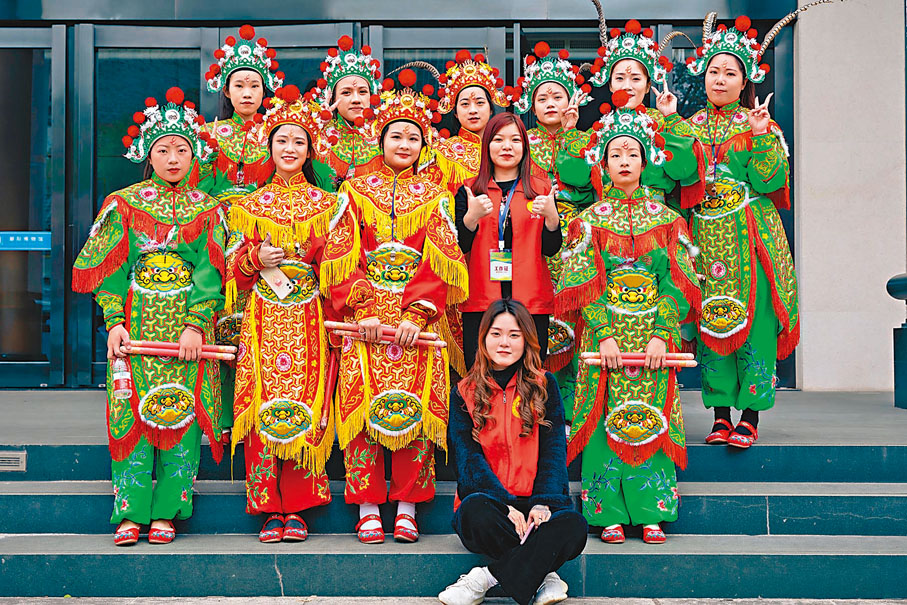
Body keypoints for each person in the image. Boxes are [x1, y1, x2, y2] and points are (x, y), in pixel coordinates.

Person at [72, 88, 225, 546]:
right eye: (163, 150)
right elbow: (109, 271)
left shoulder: (209, 208)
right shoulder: (123, 204)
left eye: (182, 149)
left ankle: (169, 511)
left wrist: (197, 324)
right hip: (134, 331)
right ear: (148, 156)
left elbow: (210, 273)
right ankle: (130, 511)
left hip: (187, 335)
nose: (173, 158)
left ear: (194, 154)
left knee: (180, 417)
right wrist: (113, 321)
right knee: (131, 420)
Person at [226, 85, 373, 542]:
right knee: (263, 403)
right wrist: (253, 259)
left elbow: (346, 261)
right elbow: (229, 264)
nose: (290, 149)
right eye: (282, 141)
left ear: (311, 151)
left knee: (308, 404)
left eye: (299, 142)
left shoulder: (330, 205)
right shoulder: (244, 206)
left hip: (309, 314)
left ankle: (301, 505)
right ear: (267, 147)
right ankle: (267, 506)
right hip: (262, 319)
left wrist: (318, 260)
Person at [556, 94, 700, 544]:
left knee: (649, 418)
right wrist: (601, 335)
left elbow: (678, 286)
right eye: (614, 153)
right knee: (602, 421)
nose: (623, 161)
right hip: (604, 344)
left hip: (654, 344)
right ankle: (606, 512)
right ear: (601, 162)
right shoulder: (587, 221)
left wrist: (661, 335)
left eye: (632, 154)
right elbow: (583, 286)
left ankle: (651, 509)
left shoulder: (670, 220)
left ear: (647, 161)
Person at [335, 69, 468, 544]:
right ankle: (368, 505)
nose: (406, 142)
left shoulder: (436, 195)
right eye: (397, 135)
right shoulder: (352, 192)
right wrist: (363, 308)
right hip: (364, 320)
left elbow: (443, 260)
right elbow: (340, 254)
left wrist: (417, 313)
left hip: (418, 321)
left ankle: (408, 504)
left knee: (416, 410)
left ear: (424, 142)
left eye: (414, 136)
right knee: (362, 407)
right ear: (381, 139)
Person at [684, 13, 801, 448]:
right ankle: (718, 414)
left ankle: (750, 415)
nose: (720, 79)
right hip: (704, 239)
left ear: (745, 78)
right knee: (713, 321)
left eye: (730, 72)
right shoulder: (690, 127)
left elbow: (771, 181)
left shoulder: (761, 124)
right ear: (704, 75)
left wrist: (760, 135)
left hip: (749, 238)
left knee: (756, 324)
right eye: (714, 70)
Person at [442, 299, 586, 605]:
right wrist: (505, 505)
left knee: (574, 526)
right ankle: (543, 575)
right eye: (496, 334)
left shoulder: (544, 385)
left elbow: (553, 452)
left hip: (534, 503)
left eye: (514, 335)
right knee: (476, 513)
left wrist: (544, 503)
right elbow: (467, 460)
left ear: (527, 341)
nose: (504, 343)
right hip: (490, 505)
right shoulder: (463, 391)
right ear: (482, 339)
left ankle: (486, 577)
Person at [202, 24, 284, 436]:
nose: (248, 92)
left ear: (265, 89)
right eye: (240, 85)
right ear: (227, 91)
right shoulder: (209, 136)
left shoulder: (280, 137)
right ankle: (222, 416)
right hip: (219, 241)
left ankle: (260, 408)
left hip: (264, 240)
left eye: (255, 84)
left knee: (260, 326)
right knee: (220, 323)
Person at [454, 112, 561, 369]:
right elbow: (458, 248)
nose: (506, 147)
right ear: (487, 145)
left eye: (515, 140)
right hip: (482, 297)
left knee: (531, 377)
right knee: (480, 375)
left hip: (530, 298)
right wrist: (471, 218)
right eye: (498, 139)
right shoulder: (470, 190)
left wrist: (551, 219)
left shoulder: (541, 189)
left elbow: (551, 248)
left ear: (524, 147)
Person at [308, 35, 383, 189]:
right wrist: (317, 128)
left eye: (362, 92)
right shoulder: (318, 137)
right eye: (346, 93)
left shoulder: (384, 135)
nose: (356, 99)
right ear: (332, 97)